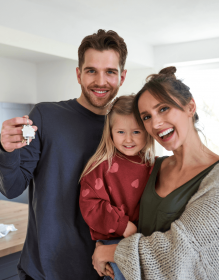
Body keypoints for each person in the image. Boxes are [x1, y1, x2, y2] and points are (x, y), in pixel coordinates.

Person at [0, 29, 128, 280]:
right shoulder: (45, 117)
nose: (101, 81)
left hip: (103, 273)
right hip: (43, 272)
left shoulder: (129, 133)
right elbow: (11, 188)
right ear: (79, 74)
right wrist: (6, 149)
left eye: (110, 71)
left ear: (122, 76)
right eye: (91, 71)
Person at [91, 66, 219, 280]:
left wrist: (108, 251)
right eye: (146, 117)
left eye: (163, 109)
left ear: (190, 106)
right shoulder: (153, 167)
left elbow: (180, 251)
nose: (155, 123)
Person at [79, 95, 155, 280]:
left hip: (144, 243)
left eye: (136, 132)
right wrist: (122, 225)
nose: (128, 139)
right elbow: (90, 205)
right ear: (110, 132)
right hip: (113, 239)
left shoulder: (154, 165)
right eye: (121, 132)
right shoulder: (101, 166)